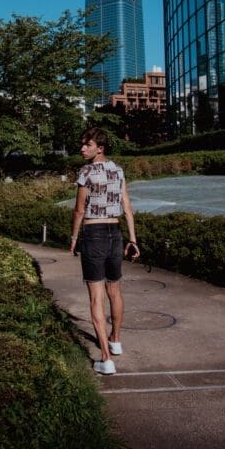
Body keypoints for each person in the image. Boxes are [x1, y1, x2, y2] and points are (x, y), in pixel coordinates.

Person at [69, 127, 139, 375]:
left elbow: (79, 210)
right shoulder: (118, 170)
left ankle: (106, 358)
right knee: (115, 290)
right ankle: (116, 340)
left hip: (94, 234)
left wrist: (74, 237)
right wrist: (133, 238)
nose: (82, 148)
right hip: (115, 234)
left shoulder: (86, 172)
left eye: (87, 145)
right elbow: (127, 206)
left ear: (100, 148)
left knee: (96, 296)